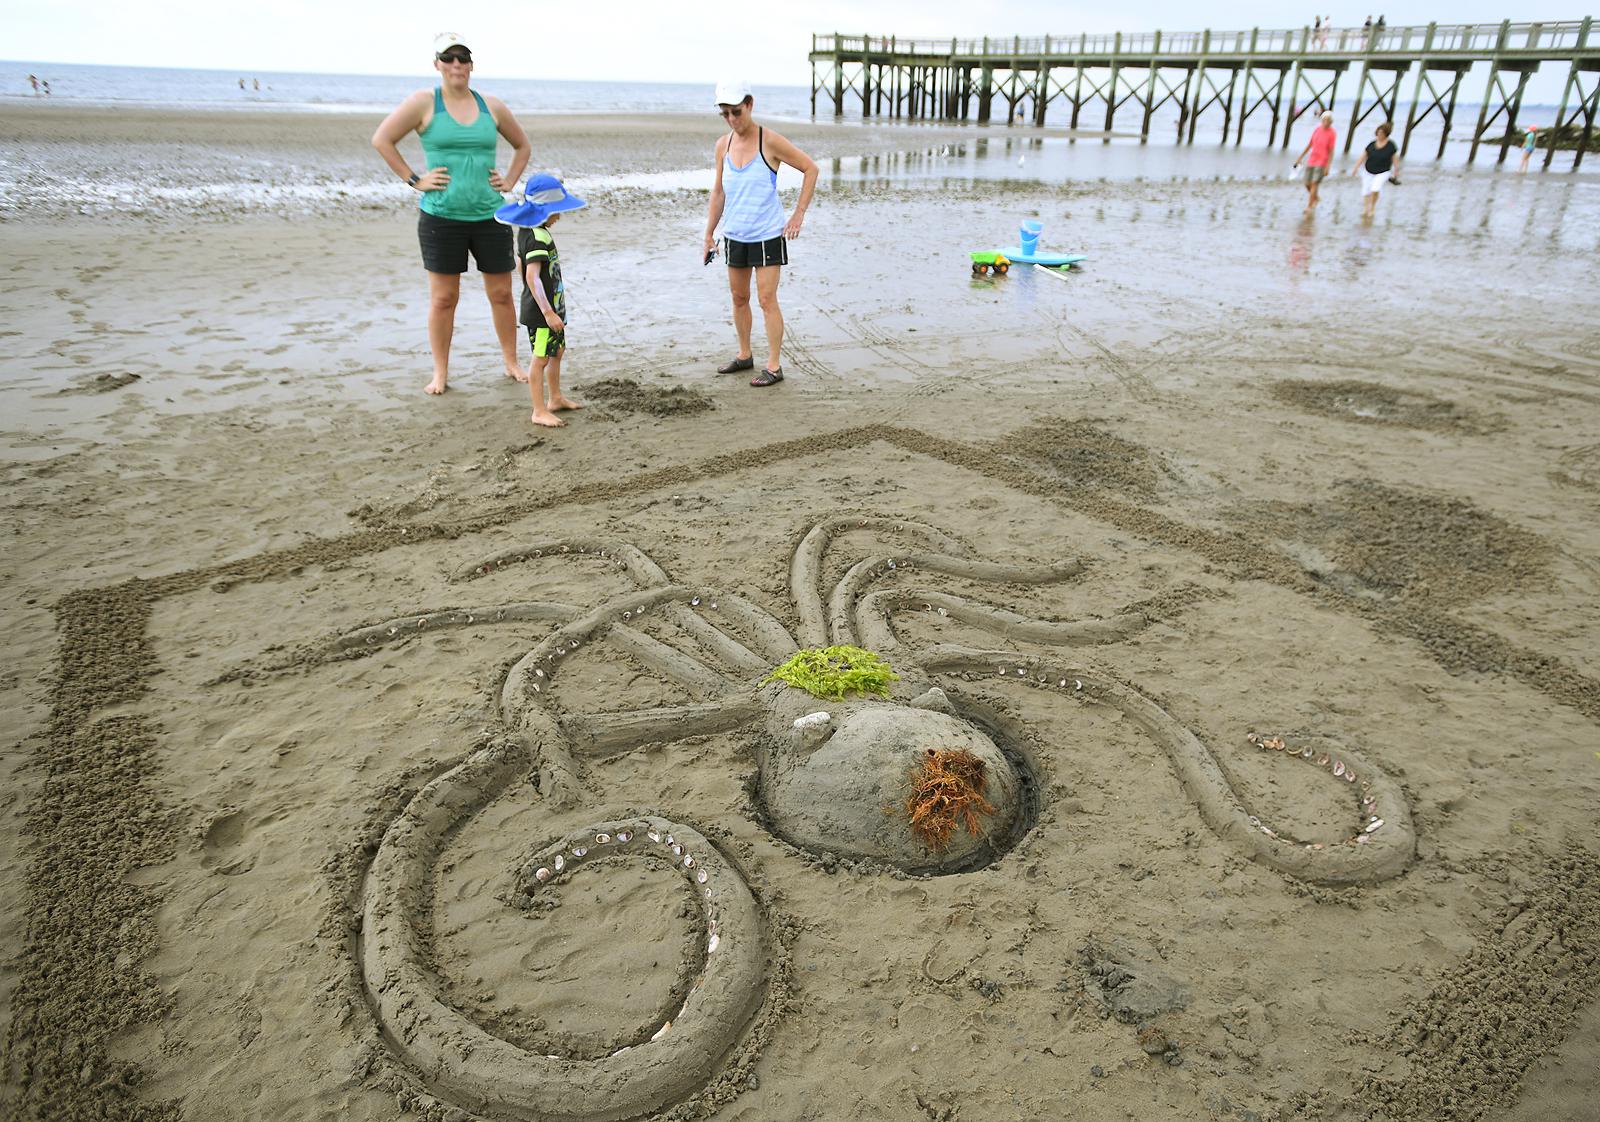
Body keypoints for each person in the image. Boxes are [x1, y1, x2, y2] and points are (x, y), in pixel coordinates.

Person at [372, 33, 532, 395]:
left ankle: (511, 362)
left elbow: (522, 145)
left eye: (463, 58)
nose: (456, 65)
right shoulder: (423, 103)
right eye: (449, 58)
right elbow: (382, 139)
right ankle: (440, 373)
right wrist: (415, 180)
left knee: (502, 294)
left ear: (472, 64)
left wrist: (508, 179)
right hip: (441, 217)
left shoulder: (492, 106)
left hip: (491, 215)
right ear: (437, 64)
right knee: (444, 299)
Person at [703, 78, 818, 388]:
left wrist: (798, 214)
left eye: (736, 112)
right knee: (739, 298)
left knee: (767, 299)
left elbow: (810, 169)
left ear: (750, 105)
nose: (731, 119)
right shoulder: (722, 146)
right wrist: (709, 235)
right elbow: (718, 193)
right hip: (735, 234)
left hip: (767, 234)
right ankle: (744, 355)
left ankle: (774, 366)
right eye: (724, 114)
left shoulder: (770, 141)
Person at [496, 173, 586, 428]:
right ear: (544, 210)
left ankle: (555, 398)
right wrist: (547, 312)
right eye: (556, 211)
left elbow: (519, 265)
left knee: (557, 351)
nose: (559, 216)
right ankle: (538, 410)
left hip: (552, 307)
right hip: (541, 313)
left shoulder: (531, 231)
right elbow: (531, 276)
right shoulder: (536, 237)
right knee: (541, 358)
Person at [1293, 110, 1338, 211]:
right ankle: (1316, 198)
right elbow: (1310, 145)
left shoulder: (1332, 133)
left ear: (1331, 121)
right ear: (1322, 120)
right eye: (1325, 120)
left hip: (1322, 162)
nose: (1326, 122)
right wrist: (1300, 158)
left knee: (1314, 183)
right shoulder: (1317, 130)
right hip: (1312, 159)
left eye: (1328, 120)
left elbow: (1331, 151)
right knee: (1306, 183)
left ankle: (1309, 206)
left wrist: (1328, 166)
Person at [1353, 121, 1399, 218]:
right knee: (1365, 190)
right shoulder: (1372, 144)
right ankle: (1366, 208)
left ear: (1386, 134)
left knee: (1375, 188)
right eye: (1378, 133)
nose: (1379, 135)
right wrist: (1356, 167)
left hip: (1383, 171)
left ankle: (1372, 208)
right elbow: (1363, 156)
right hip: (1368, 170)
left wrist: (1396, 171)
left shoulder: (1391, 146)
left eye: (1381, 133)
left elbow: (1395, 159)